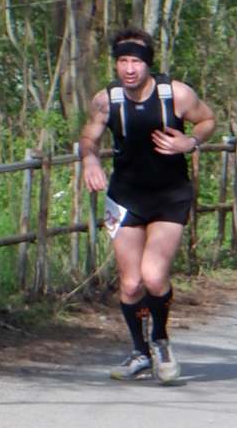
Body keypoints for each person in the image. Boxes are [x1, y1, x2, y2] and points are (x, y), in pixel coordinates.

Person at [75, 30, 215, 383]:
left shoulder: (175, 94)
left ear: (148, 64)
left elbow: (207, 119)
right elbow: (88, 138)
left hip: (169, 195)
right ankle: (139, 353)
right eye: (122, 61)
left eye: (136, 61)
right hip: (126, 196)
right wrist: (90, 160)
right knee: (131, 284)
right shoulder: (106, 100)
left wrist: (191, 141)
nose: (129, 69)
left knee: (154, 276)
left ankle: (161, 342)